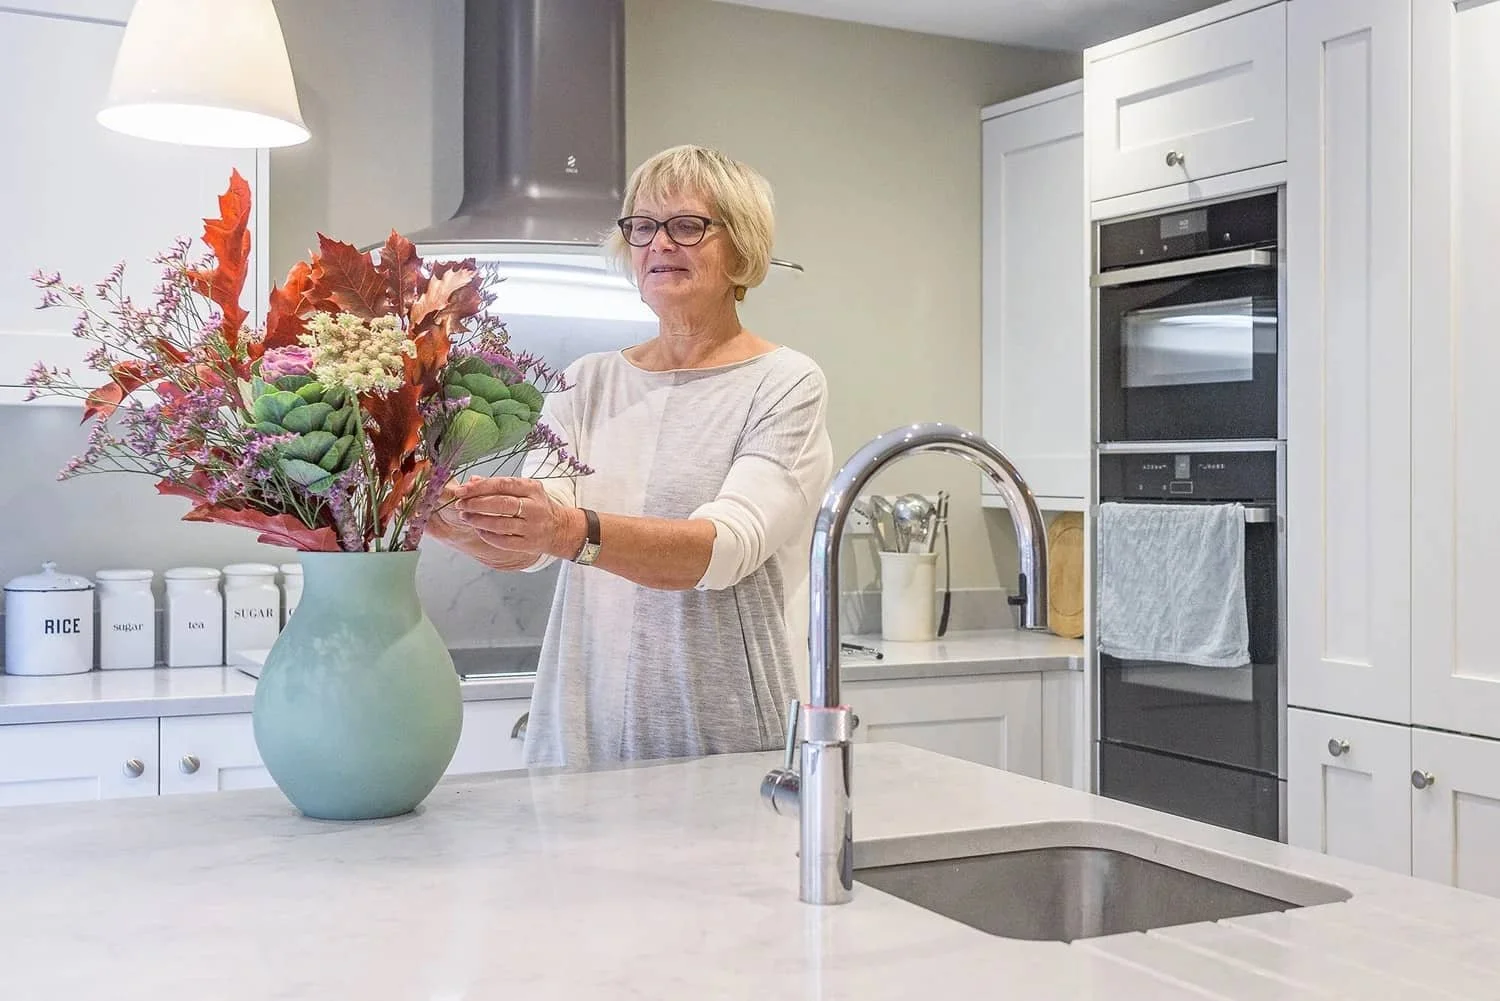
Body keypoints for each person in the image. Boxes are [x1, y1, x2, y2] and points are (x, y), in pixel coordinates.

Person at [427, 144, 834, 770]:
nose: (659, 243)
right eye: (642, 226)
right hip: (582, 726)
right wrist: (470, 522)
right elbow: (539, 542)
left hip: (721, 738)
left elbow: (725, 550)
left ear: (741, 249)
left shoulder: (784, 383)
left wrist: (566, 531)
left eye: (687, 225)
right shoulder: (585, 381)